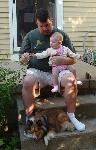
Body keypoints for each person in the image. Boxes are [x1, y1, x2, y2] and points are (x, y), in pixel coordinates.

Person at [19, 8, 85, 134]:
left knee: (70, 80)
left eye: (47, 25)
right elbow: (22, 59)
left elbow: (73, 59)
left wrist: (62, 60)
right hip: (37, 71)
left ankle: (72, 117)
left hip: (60, 71)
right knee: (27, 81)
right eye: (41, 25)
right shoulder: (30, 36)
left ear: (52, 21)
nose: (44, 28)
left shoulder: (62, 35)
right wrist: (24, 58)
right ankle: (29, 118)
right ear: (36, 23)